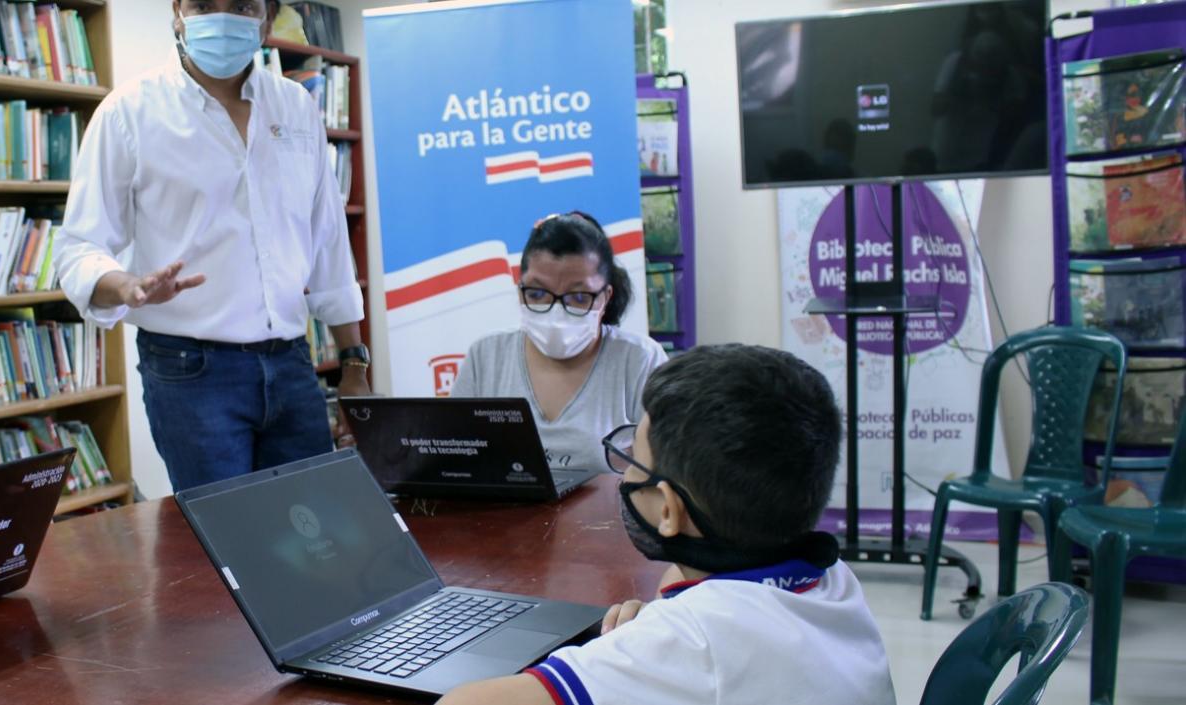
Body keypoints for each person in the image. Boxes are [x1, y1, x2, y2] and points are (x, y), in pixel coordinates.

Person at [438, 345, 897, 705]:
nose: (626, 474)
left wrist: (648, 643)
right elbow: (691, 587)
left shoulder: (692, 641)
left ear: (668, 511)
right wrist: (657, 629)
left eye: (634, 459)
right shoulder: (831, 579)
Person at [55, 0, 370, 492]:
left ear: (266, 18)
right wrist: (128, 285)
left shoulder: (295, 106)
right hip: (191, 372)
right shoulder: (128, 112)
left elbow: (328, 242)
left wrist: (353, 363)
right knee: (225, 531)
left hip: (291, 362)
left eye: (242, 5)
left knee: (313, 521)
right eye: (204, 4)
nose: (222, 18)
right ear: (178, 11)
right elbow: (78, 247)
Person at [451, 212, 667, 473]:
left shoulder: (641, 360)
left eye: (579, 297)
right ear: (519, 288)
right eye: (537, 294)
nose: (556, 313)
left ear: (605, 296)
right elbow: (456, 460)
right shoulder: (486, 356)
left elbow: (665, 472)